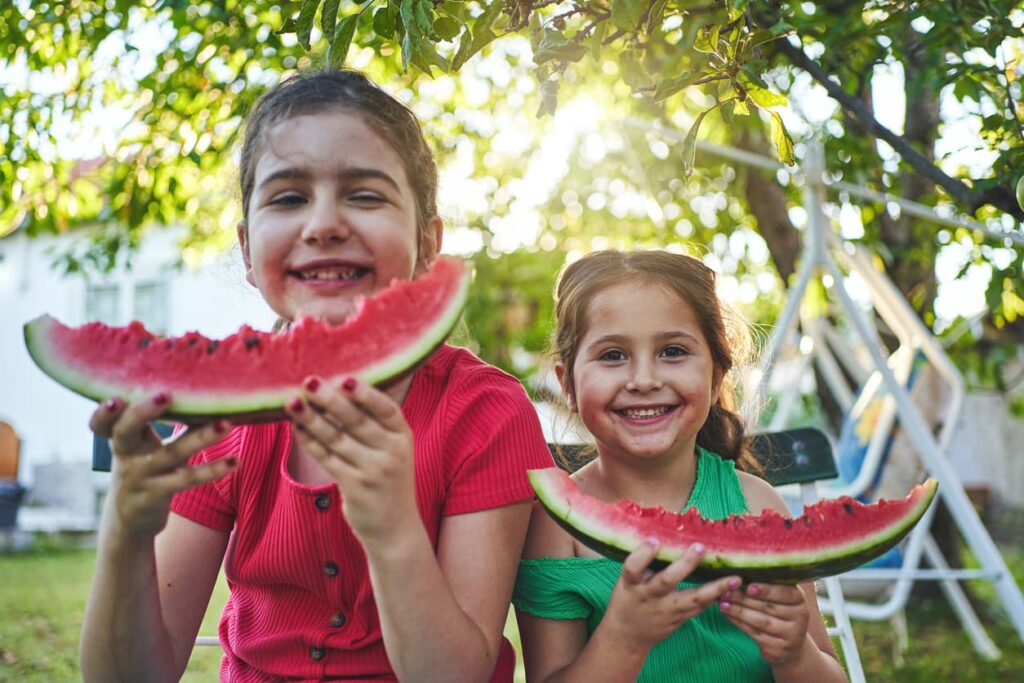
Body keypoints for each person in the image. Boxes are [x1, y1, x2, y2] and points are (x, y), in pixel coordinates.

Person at [79, 69, 555, 683]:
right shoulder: (219, 418)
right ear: (248, 250)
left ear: (428, 243)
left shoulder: (485, 413)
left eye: (364, 195)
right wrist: (125, 529)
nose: (324, 224)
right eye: (288, 197)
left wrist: (391, 530)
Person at [513, 250, 848, 682]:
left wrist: (794, 652)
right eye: (613, 355)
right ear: (568, 385)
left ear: (715, 378)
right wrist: (622, 639)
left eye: (672, 351)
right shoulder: (556, 528)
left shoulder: (755, 502)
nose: (645, 379)